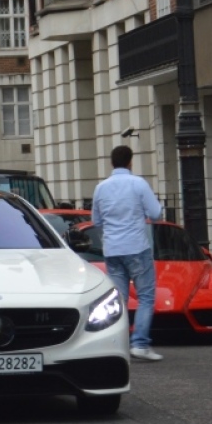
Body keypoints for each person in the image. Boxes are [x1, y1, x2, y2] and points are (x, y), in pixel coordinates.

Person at [91, 145, 164, 362]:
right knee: (146, 297)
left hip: (112, 249)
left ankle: (117, 343)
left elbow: (96, 221)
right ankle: (140, 343)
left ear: (111, 163)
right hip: (136, 247)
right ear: (130, 162)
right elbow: (156, 213)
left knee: (118, 300)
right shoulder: (138, 184)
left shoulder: (100, 188)